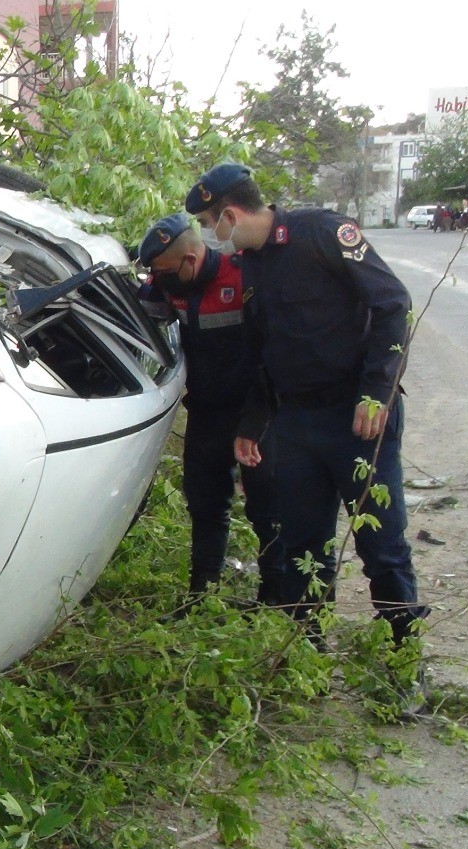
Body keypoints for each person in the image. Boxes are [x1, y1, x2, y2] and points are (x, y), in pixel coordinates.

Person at [184, 163, 431, 648]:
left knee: (381, 546)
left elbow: (392, 304)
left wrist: (376, 391)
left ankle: (405, 658)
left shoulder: (321, 233)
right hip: (296, 423)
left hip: (357, 418)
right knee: (304, 547)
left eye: (212, 224)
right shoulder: (251, 263)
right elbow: (263, 354)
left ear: (230, 214)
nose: (213, 236)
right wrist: (253, 424)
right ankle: (306, 653)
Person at [136, 213, 284, 607]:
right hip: (206, 412)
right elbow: (147, 315)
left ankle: (275, 604)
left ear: (189, 261)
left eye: (164, 271)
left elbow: (275, 356)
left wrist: (255, 423)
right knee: (205, 507)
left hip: (256, 414)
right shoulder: (171, 285)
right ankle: (201, 599)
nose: (159, 280)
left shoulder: (242, 277)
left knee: (268, 512)